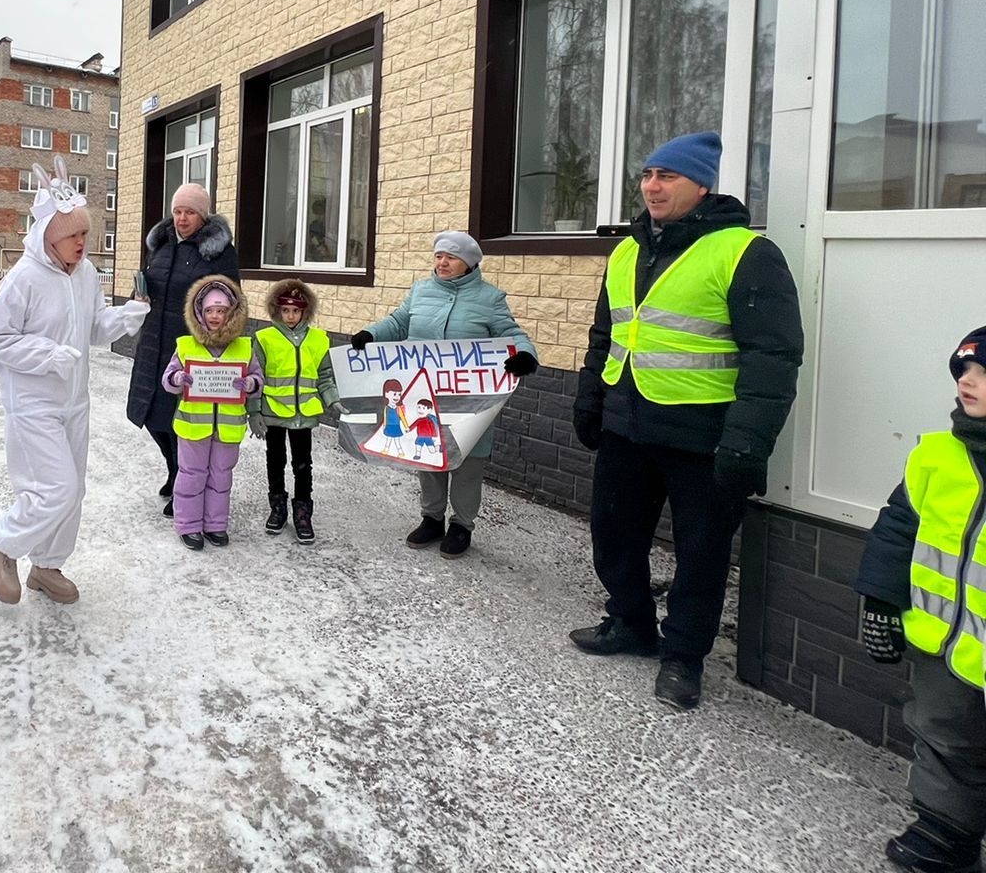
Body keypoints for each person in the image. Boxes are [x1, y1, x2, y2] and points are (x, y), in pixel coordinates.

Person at [569, 131, 803, 711]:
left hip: (703, 434)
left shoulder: (746, 252)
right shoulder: (627, 249)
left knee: (700, 553)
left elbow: (772, 357)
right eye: (647, 175)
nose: (652, 186)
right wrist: (589, 396)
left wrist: (748, 442)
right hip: (628, 421)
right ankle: (629, 623)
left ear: (702, 185)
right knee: (613, 533)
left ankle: (683, 656)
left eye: (667, 176)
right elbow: (608, 333)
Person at [0, 159, 149, 606]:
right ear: (50, 235)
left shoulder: (87, 273)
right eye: (74, 234)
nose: (82, 242)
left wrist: (126, 316)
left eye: (85, 234)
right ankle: (1, 549)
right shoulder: (23, 279)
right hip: (33, 403)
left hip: (75, 401)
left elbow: (91, 328)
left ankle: (47, 566)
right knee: (56, 488)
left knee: (75, 490)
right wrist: (48, 355)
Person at [855, 327, 986, 873]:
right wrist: (880, 602)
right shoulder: (935, 455)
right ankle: (945, 830)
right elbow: (894, 533)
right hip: (942, 642)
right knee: (943, 736)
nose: (969, 384)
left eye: (984, 375)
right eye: (964, 372)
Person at [350, 230, 538, 558]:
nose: (442, 262)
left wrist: (524, 354)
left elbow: (511, 333)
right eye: (438, 256)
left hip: (470, 398)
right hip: (426, 394)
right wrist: (371, 334)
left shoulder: (489, 298)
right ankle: (432, 518)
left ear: (469, 263)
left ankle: (462, 525)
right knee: (429, 452)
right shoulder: (421, 291)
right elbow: (397, 323)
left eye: (450, 257)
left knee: (467, 461)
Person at [127, 183, 239, 518]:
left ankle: (186, 484)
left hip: (192, 348)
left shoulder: (217, 251)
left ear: (202, 216)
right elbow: (150, 282)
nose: (181, 218)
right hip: (154, 342)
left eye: (189, 212)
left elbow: (230, 299)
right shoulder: (161, 245)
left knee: (183, 422)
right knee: (152, 416)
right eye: (177, 211)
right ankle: (175, 469)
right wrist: (139, 297)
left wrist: (217, 341)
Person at [161, 276, 262, 550]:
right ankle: (189, 525)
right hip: (194, 427)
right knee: (192, 476)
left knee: (221, 477)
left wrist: (251, 384)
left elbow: (256, 378)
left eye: (221, 310)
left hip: (228, 428)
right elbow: (167, 378)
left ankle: (215, 524)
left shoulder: (244, 347)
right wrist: (178, 379)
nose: (215, 316)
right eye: (209, 310)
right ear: (199, 313)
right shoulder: (186, 345)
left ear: (232, 313)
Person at [249, 279, 340, 545]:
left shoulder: (319, 340)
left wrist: (332, 400)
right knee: (275, 461)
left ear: (305, 312)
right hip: (274, 413)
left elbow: (324, 376)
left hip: (304, 416)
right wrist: (254, 412)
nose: (290, 316)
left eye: (296, 311)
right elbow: (257, 376)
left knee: (303, 465)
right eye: (285, 310)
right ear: (277, 311)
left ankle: (303, 512)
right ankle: (278, 508)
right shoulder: (265, 338)